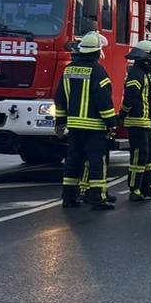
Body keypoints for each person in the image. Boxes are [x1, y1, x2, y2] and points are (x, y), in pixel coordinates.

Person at [54, 31, 118, 210]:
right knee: (97, 161)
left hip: (74, 126)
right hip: (94, 127)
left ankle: (68, 197)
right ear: (97, 52)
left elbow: (60, 98)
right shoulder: (98, 71)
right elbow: (104, 101)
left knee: (73, 161)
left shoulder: (69, 69)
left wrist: (60, 122)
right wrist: (111, 124)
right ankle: (97, 198)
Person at [123, 40, 151, 202]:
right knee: (139, 157)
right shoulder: (136, 73)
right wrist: (122, 115)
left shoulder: (142, 73)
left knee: (150, 154)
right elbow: (131, 97)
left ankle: (147, 186)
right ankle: (135, 189)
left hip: (145, 122)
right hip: (137, 122)